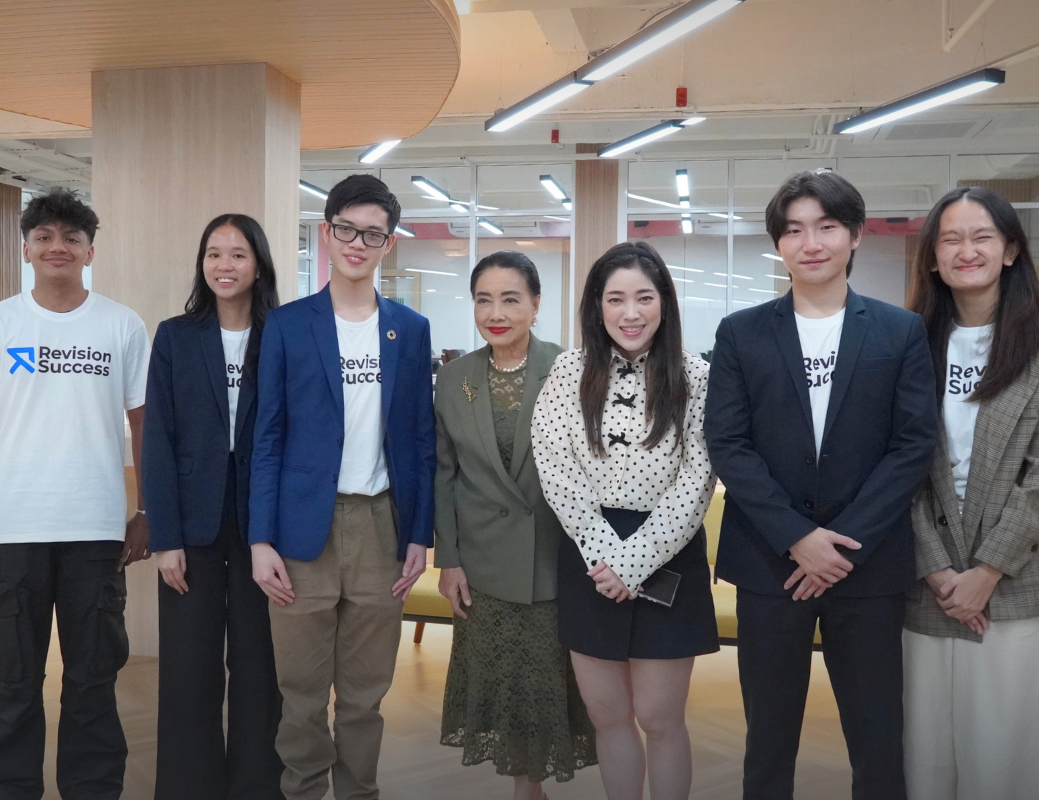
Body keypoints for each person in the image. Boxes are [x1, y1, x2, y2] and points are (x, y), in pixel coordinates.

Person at [704, 169, 937, 800]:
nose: (811, 242)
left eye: (827, 227)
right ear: (778, 243)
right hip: (769, 566)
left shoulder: (899, 330)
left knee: (878, 733)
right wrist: (797, 537)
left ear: (855, 235)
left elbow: (912, 443)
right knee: (768, 737)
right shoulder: (741, 332)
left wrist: (839, 545)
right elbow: (728, 443)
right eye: (794, 229)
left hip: (869, 567)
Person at [0, 187, 151, 799]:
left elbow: (143, 425)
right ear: (27, 248)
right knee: (13, 684)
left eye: (72, 238)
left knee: (93, 683)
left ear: (90, 250)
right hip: (11, 537)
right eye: (45, 237)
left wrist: (146, 511)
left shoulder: (121, 324)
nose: (58, 247)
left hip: (96, 535)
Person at [248, 174, 435, 800]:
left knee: (364, 696)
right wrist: (259, 539)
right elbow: (266, 437)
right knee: (300, 696)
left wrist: (419, 534)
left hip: (383, 527)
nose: (359, 243)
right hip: (302, 531)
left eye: (373, 234)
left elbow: (418, 439)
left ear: (388, 243)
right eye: (347, 230)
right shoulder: (287, 324)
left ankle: (360, 792)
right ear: (327, 235)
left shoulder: (408, 329)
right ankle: (303, 792)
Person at [902, 186, 1039, 800]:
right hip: (928, 582)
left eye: (982, 236)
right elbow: (901, 468)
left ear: (1009, 250)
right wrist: (937, 568)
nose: (966, 250)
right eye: (950, 238)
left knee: (1003, 752)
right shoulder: (907, 344)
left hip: (1013, 580)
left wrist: (987, 571)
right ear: (932, 257)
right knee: (924, 751)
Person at [531, 241, 716, 800]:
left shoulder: (695, 375)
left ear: (665, 303)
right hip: (590, 555)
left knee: (660, 718)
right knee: (608, 716)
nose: (630, 312)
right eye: (616, 299)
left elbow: (698, 478)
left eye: (644, 297)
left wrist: (633, 563)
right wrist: (605, 555)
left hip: (668, 552)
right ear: (597, 306)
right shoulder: (569, 370)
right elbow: (553, 462)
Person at [435, 250, 597, 799]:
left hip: (554, 559)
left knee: (543, 684)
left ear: (535, 304)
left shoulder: (571, 368)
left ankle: (530, 791)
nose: (496, 312)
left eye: (510, 299)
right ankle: (526, 791)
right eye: (484, 299)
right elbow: (444, 474)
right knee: (503, 686)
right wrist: (448, 559)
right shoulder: (454, 377)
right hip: (482, 565)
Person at [142, 214, 284, 799]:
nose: (224, 265)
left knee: (259, 667)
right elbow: (158, 438)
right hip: (191, 524)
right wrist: (164, 536)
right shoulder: (176, 335)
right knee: (188, 667)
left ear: (259, 265)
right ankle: (188, 787)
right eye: (214, 254)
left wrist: (279, 532)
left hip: (263, 523)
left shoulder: (283, 332)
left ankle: (257, 786)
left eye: (238, 255)